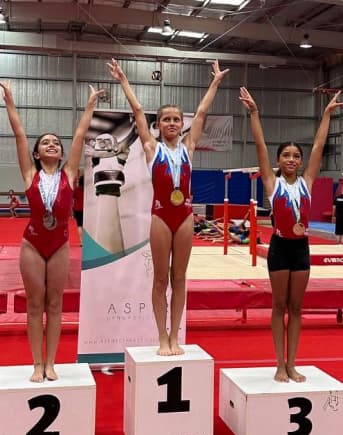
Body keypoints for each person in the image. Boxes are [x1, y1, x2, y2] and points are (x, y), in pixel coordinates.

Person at [108, 58, 229, 356]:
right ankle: (161, 337)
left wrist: (215, 81)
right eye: (167, 120)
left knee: (180, 277)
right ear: (158, 125)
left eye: (176, 119)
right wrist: (123, 80)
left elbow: (201, 112)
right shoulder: (152, 148)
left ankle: (175, 335)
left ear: (181, 124)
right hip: (161, 216)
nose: (172, 123)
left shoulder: (188, 148)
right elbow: (137, 111)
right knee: (161, 278)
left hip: (185, 216)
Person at [0, 81, 103, 382]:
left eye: (56, 143)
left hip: (59, 245)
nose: (52, 145)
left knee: (55, 304)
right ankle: (36, 363)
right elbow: (19, 134)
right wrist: (9, 102)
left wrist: (90, 107)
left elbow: (81, 136)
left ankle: (51, 362)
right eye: (45, 142)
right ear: (36, 152)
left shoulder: (69, 174)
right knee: (34, 304)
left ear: (60, 154)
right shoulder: (30, 174)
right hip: (32, 244)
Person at [239, 86, 343, 383]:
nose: (292, 159)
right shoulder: (272, 184)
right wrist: (255, 113)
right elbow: (259, 144)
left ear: (300, 161)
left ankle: (293, 363)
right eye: (286, 155)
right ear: (279, 159)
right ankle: (279, 363)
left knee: (297, 307)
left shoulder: (308, 181)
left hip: (301, 249)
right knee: (279, 305)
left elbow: (320, 146)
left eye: (296, 155)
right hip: (280, 248)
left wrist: (325, 115)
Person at [73, 173, 84, 245]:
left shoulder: (76, 189)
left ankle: (81, 241)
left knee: (79, 225)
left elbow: (72, 197)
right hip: (86, 209)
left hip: (77, 209)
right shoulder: (88, 190)